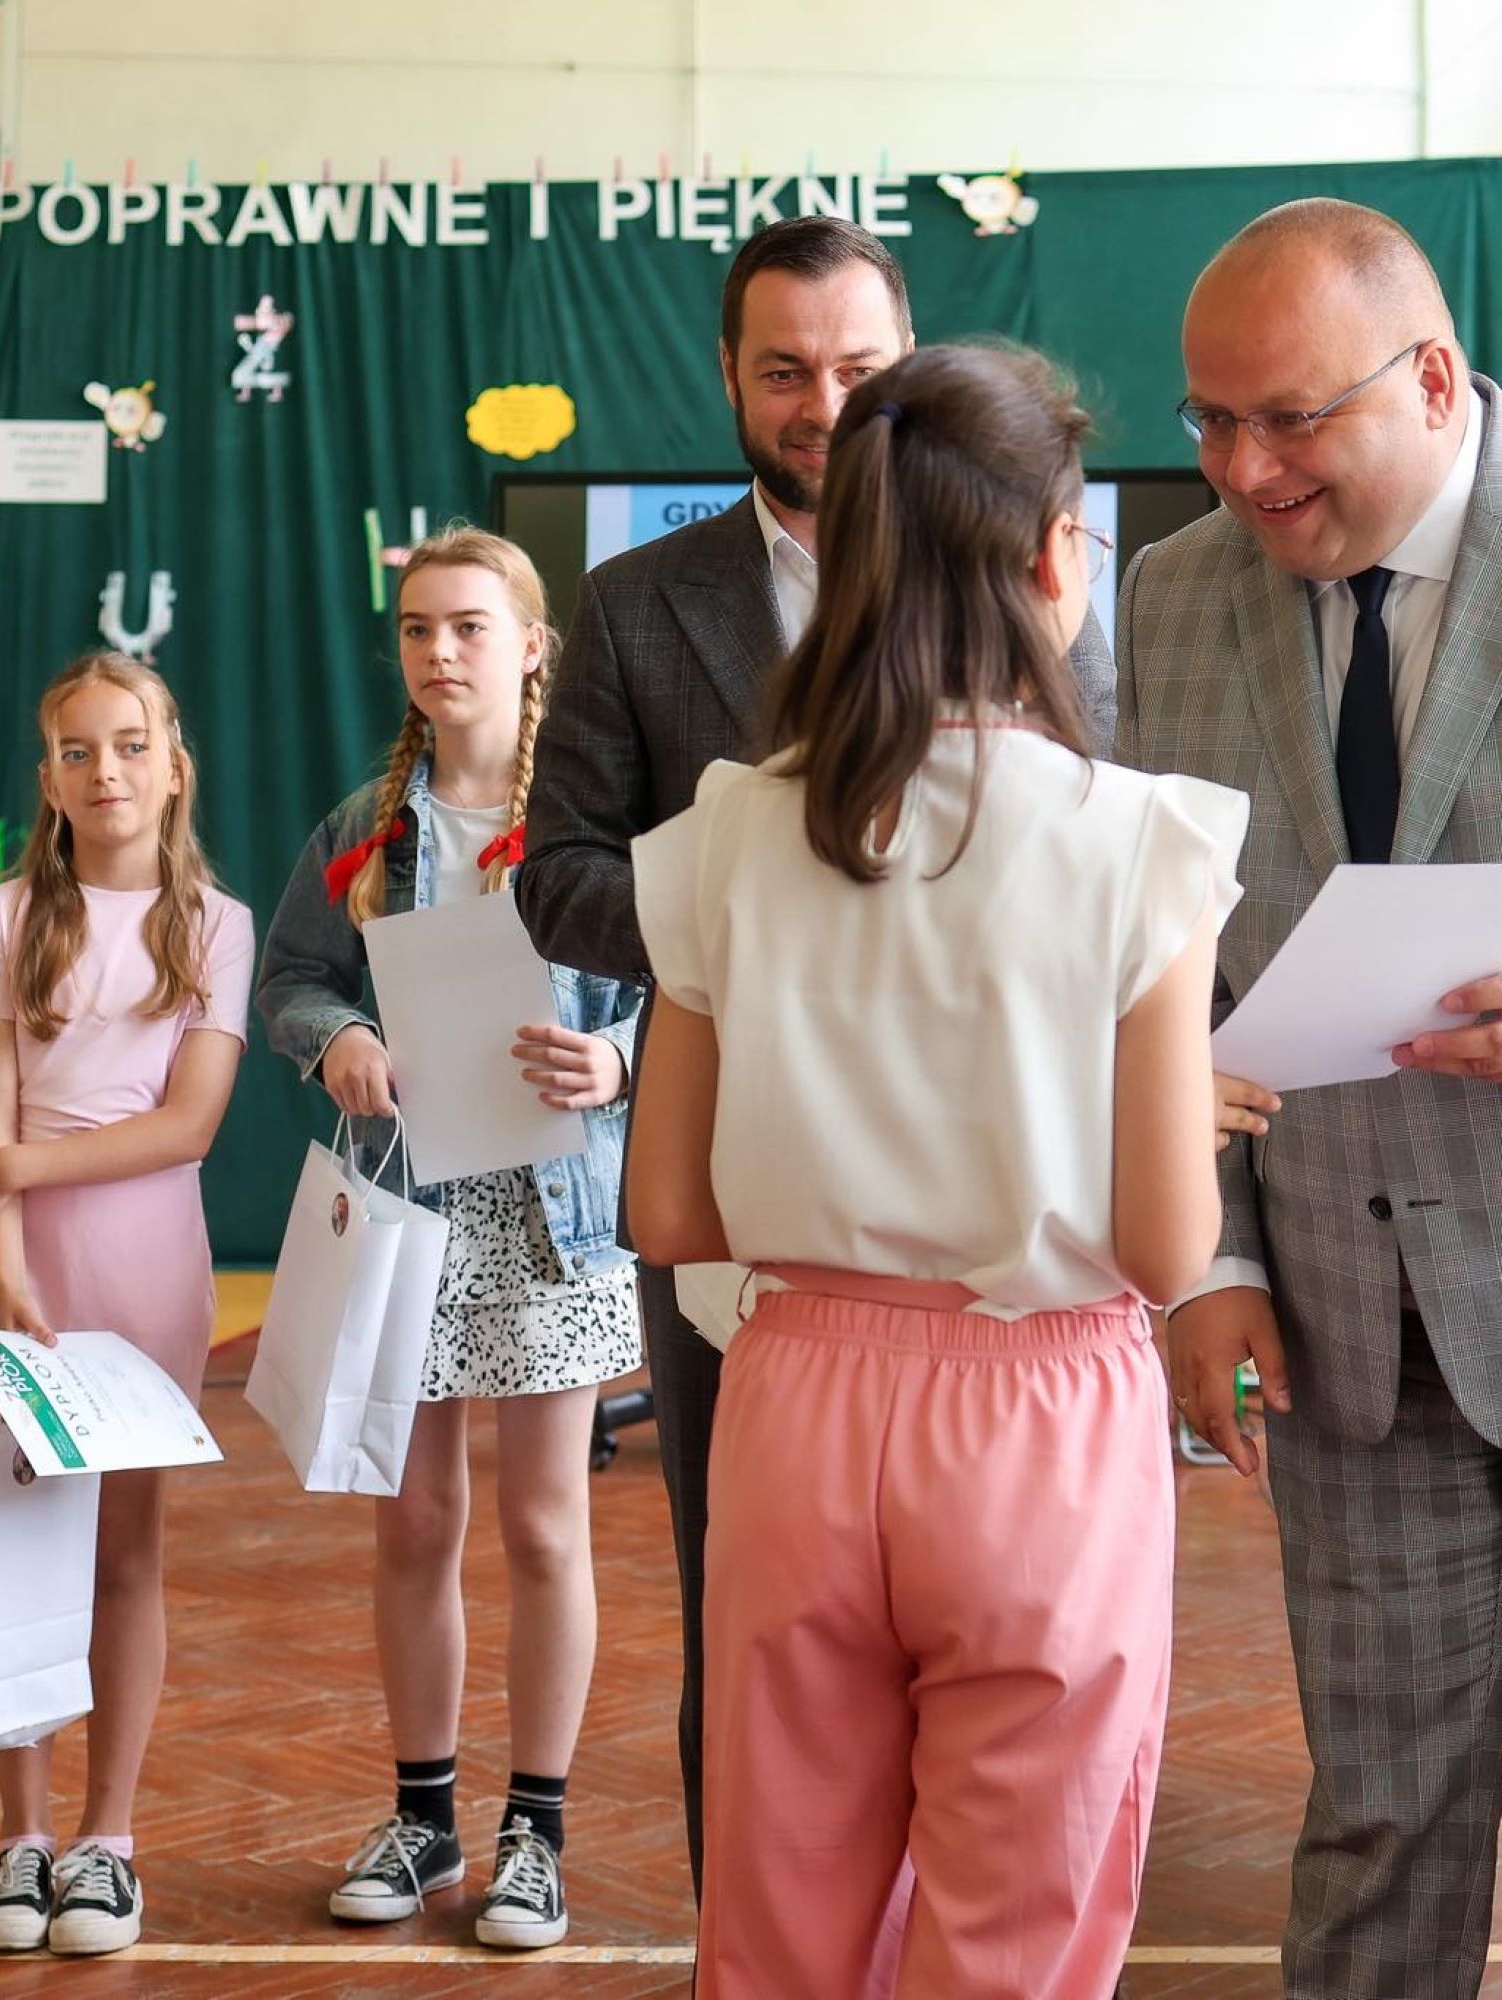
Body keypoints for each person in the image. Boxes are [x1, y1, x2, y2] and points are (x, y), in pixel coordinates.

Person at [625, 343, 1244, 1997]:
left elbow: (667, 1210)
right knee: (1021, 1930)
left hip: (794, 1401)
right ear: (1054, 554)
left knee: (779, 1919)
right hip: (1040, 1410)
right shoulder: (1140, 838)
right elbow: (1165, 1242)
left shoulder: (732, 825)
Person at [514, 214, 1118, 1885]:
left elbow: (1100, 836)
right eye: (785, 371)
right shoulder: (635, 608)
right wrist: (764, 924)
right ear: (727, 375)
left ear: (914, 366)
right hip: (734, 1200)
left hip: (1008, 1197)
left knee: (1013, 1646)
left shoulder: (1046, 591)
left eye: (860, 368)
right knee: (753, 1638)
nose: (828, 407)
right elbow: (558, 879)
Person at [1121, 196, 1502, 1999]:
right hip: (1352, 1339)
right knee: (1381, 1826)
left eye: (1288, 418)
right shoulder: (1174, 595)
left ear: (1432, 378)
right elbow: (1166, 973)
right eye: (1210, 419)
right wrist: (1208, 1265)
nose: (1242, 470)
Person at [258, 528, 645, 1952]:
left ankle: (534, 1835)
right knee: (416, 1520)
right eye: (420, 628)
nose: (441, 652)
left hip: (554, 1219)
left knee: (545, 1523)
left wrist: (621, 1063)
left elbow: (691, 979)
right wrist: (338, 1037)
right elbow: (290, 980)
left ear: (534, 647)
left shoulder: (594, 821)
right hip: (410, 1211)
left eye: (472, 626)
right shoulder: (367, 827)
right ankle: (423, 1818)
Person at [0, 651, 253, 1956]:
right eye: (78, 751)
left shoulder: (217, 927)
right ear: (50, 777)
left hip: (145, 1268)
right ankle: (20, 1840)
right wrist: (6, 1259)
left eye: (130, 746)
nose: (105, 770)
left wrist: (15, 1171)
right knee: (17, 1550)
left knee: (126, 1553)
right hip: (13, 1270)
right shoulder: (5, 916)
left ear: (174, 768)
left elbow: (187, 1128)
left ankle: (106, 1841)